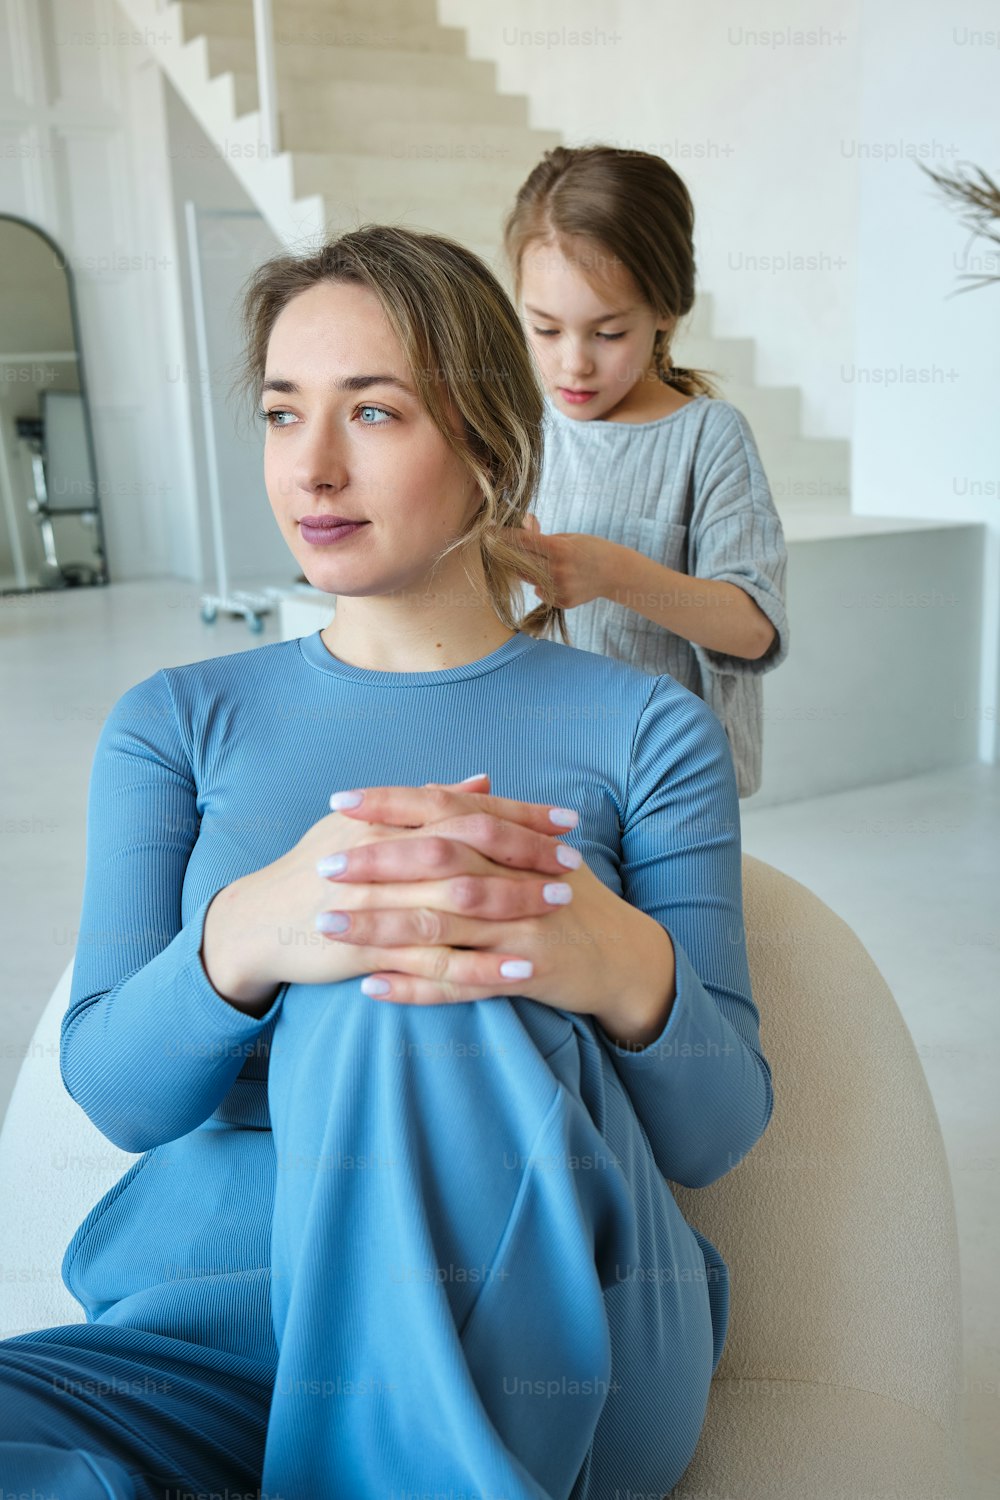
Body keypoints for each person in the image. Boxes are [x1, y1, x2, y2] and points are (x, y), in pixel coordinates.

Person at [0, 225, 774, 1499]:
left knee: (401, 981)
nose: (310, 467)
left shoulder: (645, 728)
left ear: (486, 440)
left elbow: (714, 1130)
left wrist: (611, 961)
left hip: (543, 1346)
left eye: (373, 412)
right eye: (280, 412)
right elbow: (119, 1095)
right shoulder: (175, 719)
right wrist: (245, 935)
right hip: (213, 1342)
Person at [503, 144, 790, 799]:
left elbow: (753, 631)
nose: (573, 363)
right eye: (545, 329)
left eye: (607, 334)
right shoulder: (515, 427)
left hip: (666, 782)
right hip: (537, 763)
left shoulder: (707, 437)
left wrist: (614, 573)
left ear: (665, 310)